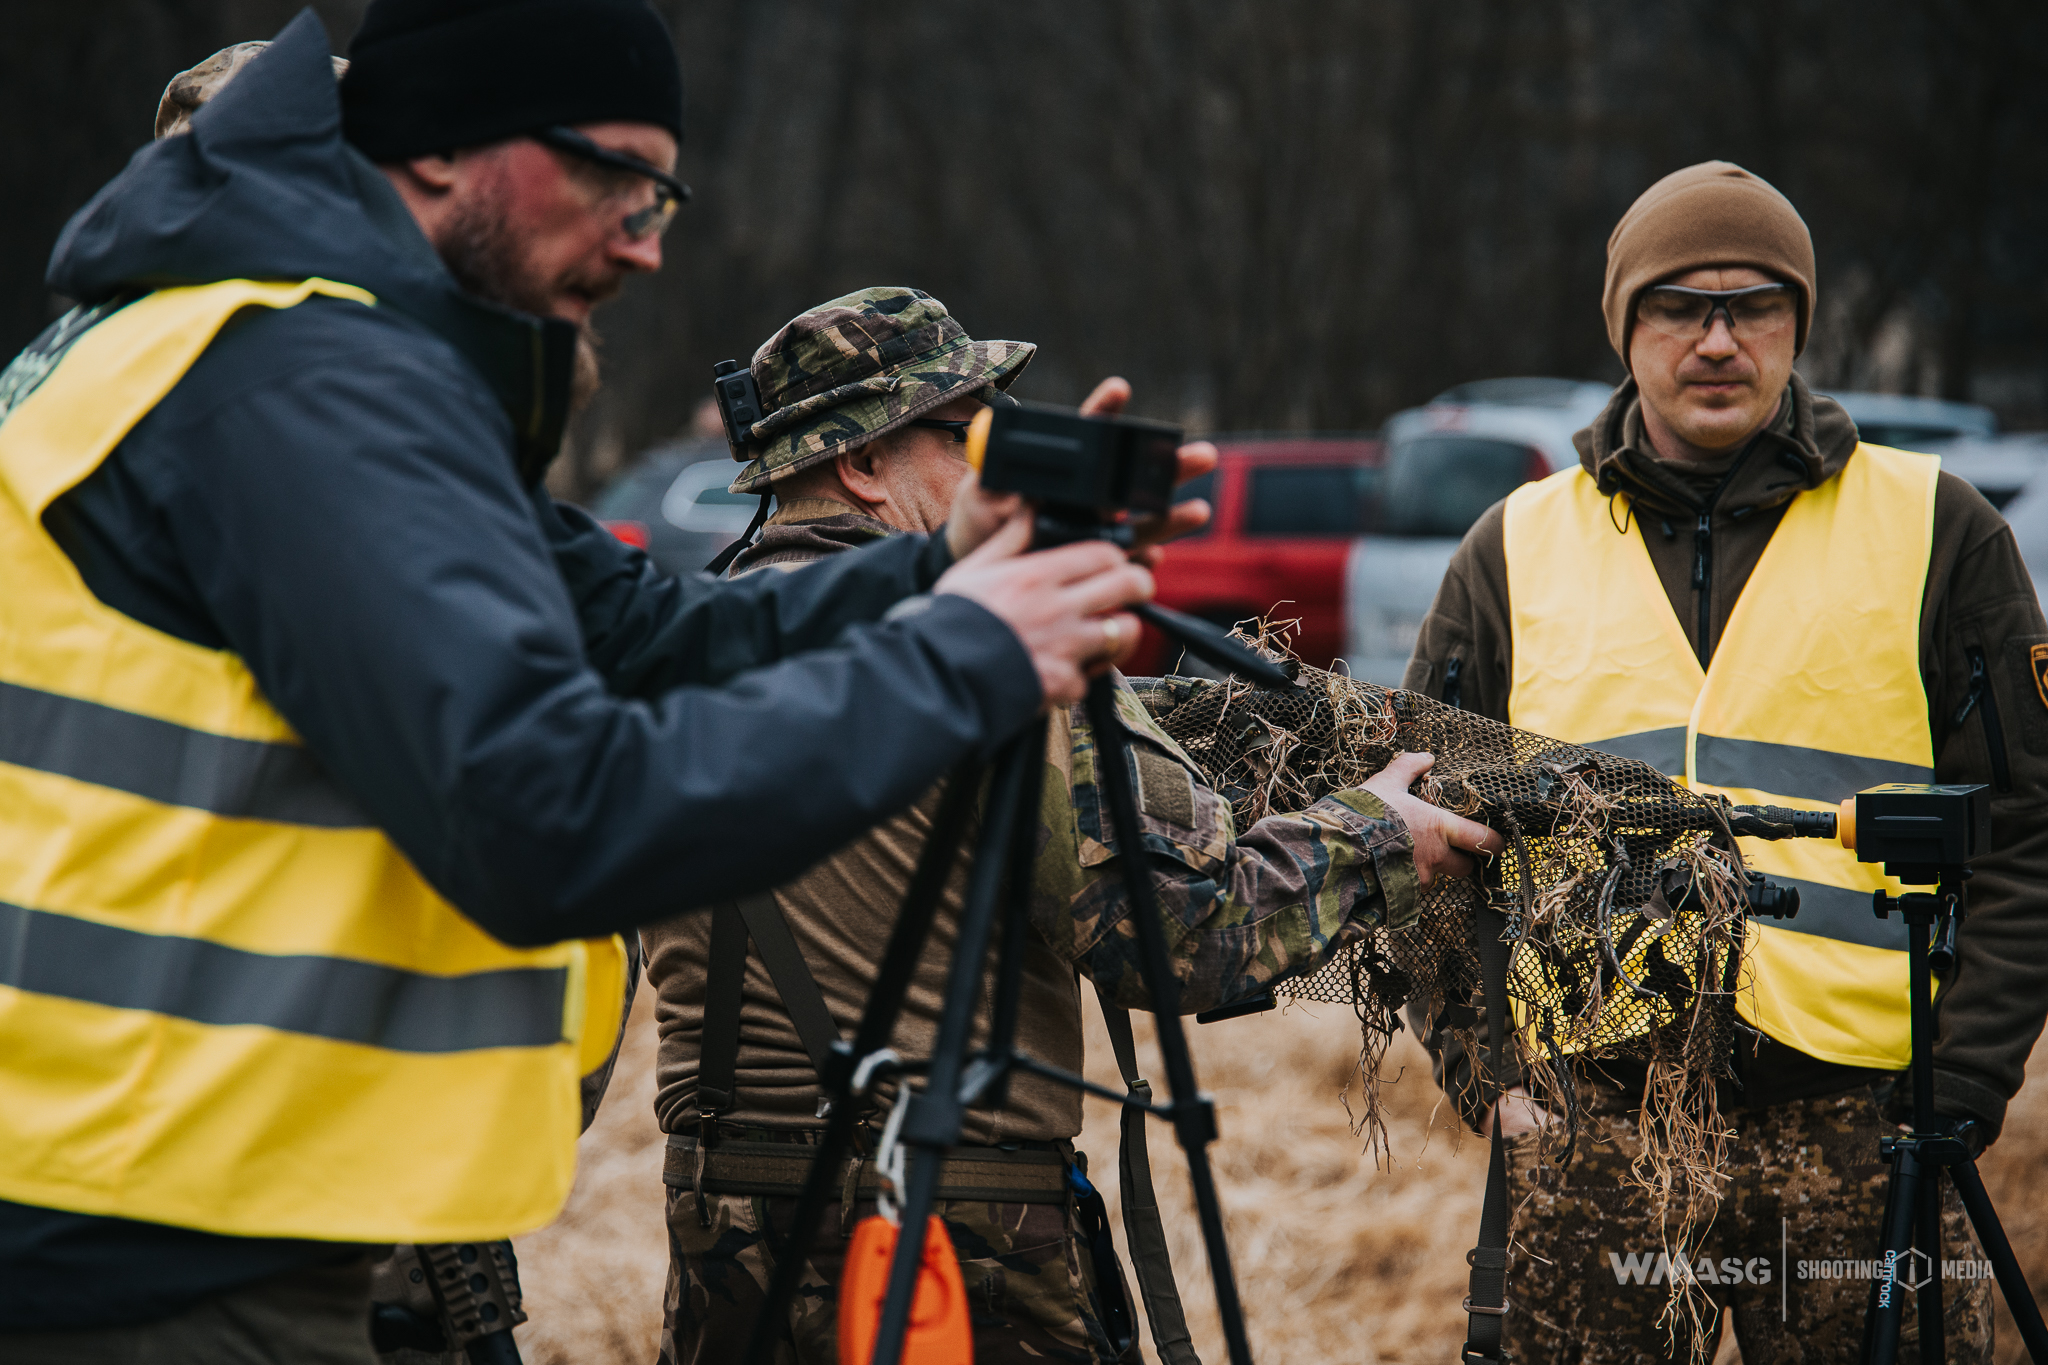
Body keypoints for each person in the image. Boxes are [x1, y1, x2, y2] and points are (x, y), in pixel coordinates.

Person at [0, 6, 1161, 1360]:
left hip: (178, 1197)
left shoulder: (260, 353)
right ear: (440, 150)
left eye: (661, 191)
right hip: (152, 1244)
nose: (649, 238)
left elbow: (644, 627)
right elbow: (544, 812)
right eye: (614, 175)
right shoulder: (297, 382)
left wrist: (946, 564)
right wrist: (971, 654)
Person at [642, 286, 1503, 1365]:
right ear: (861, 466)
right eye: (971, 439)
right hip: (953, 1245)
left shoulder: (675, 650)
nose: (1001, 473)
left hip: (721, 1243)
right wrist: (1375, 832)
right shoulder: (975, 647)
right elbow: (1176, 937)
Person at [1403, 161, 2048, 1362]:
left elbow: (2026, 828)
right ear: (1623, 327)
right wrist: (1484, 1069)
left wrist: (1956, 1091)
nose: (1714, 339)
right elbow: (1413, 834)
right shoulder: (1510, 549)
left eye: (1751, 305)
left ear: (1795, 324)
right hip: (1598, 1131)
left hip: (1865, 1135)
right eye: (1675, 307)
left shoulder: (1938, 529)